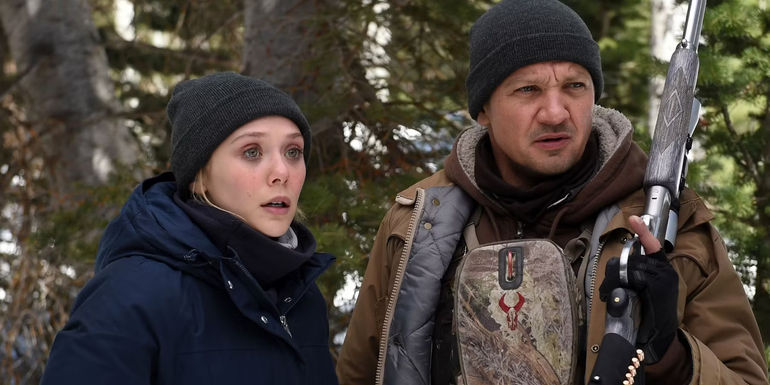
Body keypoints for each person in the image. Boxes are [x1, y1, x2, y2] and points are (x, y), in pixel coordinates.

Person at [336, 1, 768, 384]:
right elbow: (359, 374)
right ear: (484, 108)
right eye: (529, 90)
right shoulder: (417, 221)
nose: (556, 112)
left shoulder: (669, 222)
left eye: (575, 87)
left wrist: (672, 356)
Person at [40, 72, 338, 385]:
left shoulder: (301, 295)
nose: (282, 172)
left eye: (293, 152)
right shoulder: (131, 294)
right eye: (252, 151)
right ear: (199, 175)